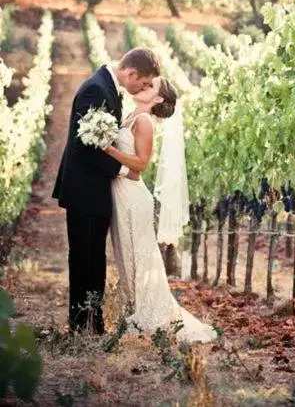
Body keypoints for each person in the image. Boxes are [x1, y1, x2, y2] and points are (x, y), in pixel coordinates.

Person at [53, 48, 160, 334]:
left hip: (93, 189)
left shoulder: (104, 87)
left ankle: (90, 323)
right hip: (85, 189)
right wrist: (125, 171)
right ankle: (83, 326)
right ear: (131, 73)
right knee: (85, 258)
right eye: (144, 83)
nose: (143, 88)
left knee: (92, 257)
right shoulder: (96, 90)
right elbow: (85, 148)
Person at [103, 76, 217, 343]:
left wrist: (108, 150)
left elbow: (141, 164)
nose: (145, 86)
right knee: (127, 258)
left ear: (157, 99)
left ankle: (149, 317)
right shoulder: (132, 115)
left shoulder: (144, 122)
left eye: (151, 86)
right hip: (122, 194)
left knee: (139, 260)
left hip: (133, 197)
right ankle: (137, 312)